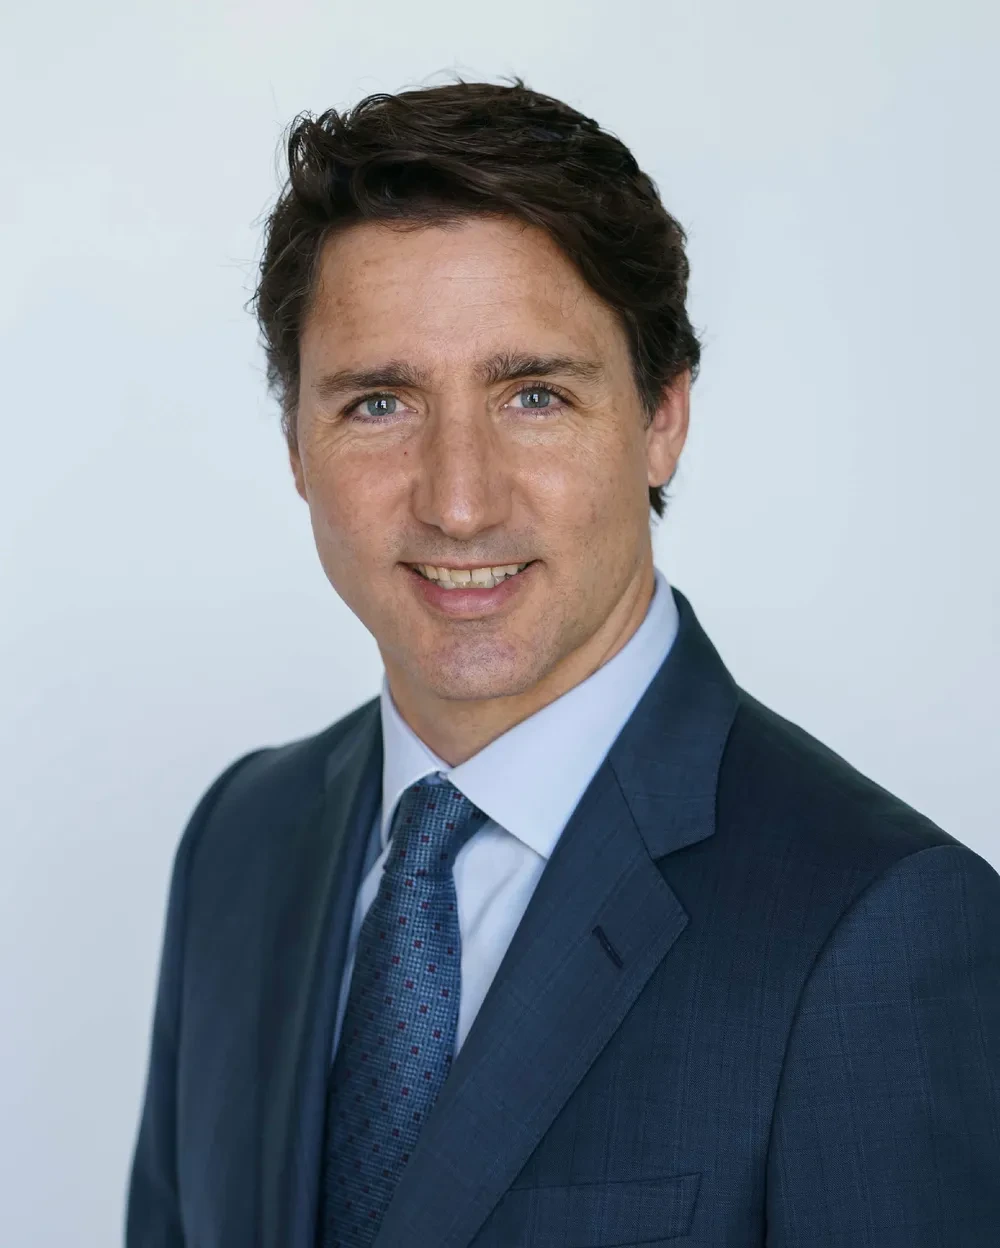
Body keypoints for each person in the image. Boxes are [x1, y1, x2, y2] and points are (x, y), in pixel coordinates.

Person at [124, 79, 1000, 1248]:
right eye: (379, 403)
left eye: (533, 395)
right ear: (295, 441)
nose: (459, 502)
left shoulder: (879, 927)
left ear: (661, 419)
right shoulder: (240, 841)